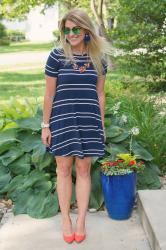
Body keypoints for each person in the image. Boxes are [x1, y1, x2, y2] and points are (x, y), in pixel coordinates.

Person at [41, 8, 109, 244]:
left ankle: (80, 219)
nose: (71, 33)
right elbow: (49, 95)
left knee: (83, 169)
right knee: (62, 169)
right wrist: (45, 125)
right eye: (67, 30)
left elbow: (100, 94)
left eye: (76, 29)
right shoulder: (56, 56)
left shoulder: (99, 58)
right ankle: (65, 220)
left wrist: (101, 124)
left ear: (86, 29)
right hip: (62, 120)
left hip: (89, 120)